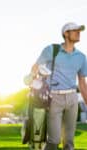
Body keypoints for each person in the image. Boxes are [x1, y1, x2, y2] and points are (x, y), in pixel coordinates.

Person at [30, 22, 87, 150]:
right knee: (54, 140)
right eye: (75, 30)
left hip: (72, 98)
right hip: (54, 98)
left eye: (79, 31)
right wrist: (35, 78)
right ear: (66, 34)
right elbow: (35, 67)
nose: (79, 33)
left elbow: (82, 83)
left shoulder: (82, 57)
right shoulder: (52, 50)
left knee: (69, 142)